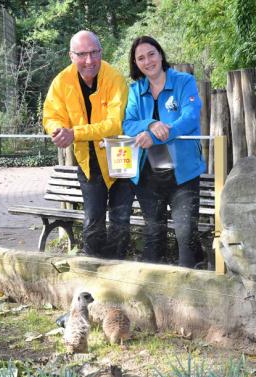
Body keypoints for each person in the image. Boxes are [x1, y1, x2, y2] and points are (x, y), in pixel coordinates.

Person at [43, 30, 133, 259]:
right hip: (88, 162)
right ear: (71, 56)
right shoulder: (61, 81)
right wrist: (57, 130)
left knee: (120, 220)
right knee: (93, 221)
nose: (89, 60)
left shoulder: (114, 78)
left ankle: (119, 270)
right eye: (82, 54)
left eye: (94, 52)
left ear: (101, 52)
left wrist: (75, 133)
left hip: (119, 157)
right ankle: (93, 271)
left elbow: (114, 124)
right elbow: (51, 115)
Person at [122, 36, 206, 268]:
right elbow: (128, 124)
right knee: (153, 234)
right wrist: (150, 124)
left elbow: (189, 117)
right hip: (148, 174)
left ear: (160, 54)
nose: (147, 61)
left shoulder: (184, 81)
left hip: (183, 173)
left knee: (186, 234)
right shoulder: (135, 90)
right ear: (135, 63)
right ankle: (151, 294)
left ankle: (192, 289)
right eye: (141, 58)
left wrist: (162, 133)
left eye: (151, 54)